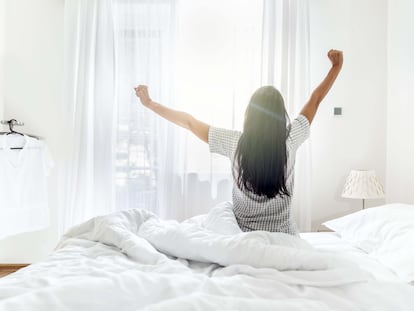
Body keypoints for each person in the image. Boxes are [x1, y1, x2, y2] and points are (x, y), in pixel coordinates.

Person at [135, 49, 343, 235]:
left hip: (241, 235)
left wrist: (151, 104)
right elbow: (315, 99)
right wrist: (336, 67)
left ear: (250, 114)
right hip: (283, 235)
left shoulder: (234, 142)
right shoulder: (291, 139)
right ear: (281, 116)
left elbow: (189, 122)